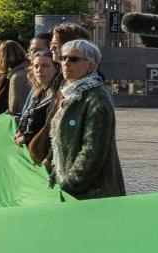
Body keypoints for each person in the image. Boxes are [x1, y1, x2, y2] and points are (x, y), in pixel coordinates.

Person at [49, 38, 124, 199]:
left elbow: (92, 152)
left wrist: (69, 184)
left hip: (93, 193)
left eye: (74, 59)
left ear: (90, 66)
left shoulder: (96, 99)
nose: (66, 63)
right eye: (63, 58)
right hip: (73, 189)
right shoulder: (69, 96)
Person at [13, 49, 60, 167]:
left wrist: (27, 136)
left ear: (56, 69)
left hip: (47, 160)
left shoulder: (58, 95)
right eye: (36, 66)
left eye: (45, 66)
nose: (39, 70)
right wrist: (22, 132)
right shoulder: (40, 92)